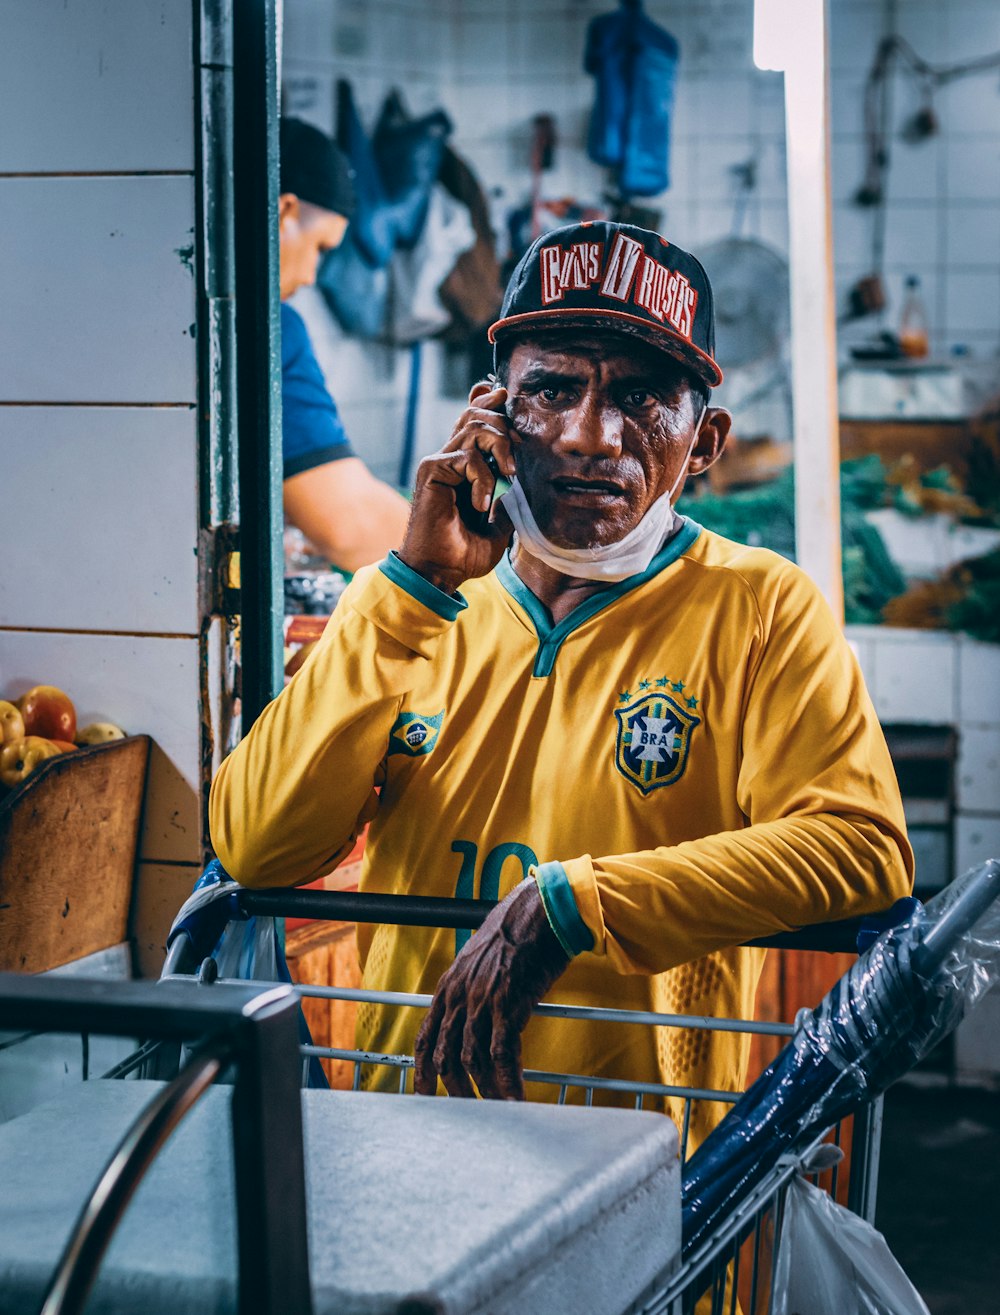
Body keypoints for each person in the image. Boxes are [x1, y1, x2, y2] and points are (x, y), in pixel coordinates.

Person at [210, 221, 913, 1149]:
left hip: (634, 1172)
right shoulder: (405, 606)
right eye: (550, 389)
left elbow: (862, 852)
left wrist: (570, 904)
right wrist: (411, 588)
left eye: (639, 396)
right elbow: (257, 845)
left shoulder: (762, 608)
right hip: (404, 1138)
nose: (589, 435)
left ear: (704, 442)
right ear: (491, 415)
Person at [278, 117, 410, 572]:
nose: (311, 275)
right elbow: (349, 528)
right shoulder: (267, 329)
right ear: (283, 212)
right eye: (318, 246)